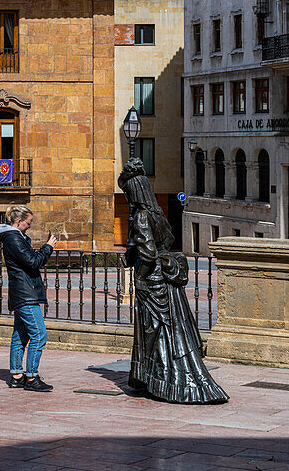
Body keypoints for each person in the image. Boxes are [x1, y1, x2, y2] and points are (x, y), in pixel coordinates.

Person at [121, 158, 228, 404]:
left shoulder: (140, 217)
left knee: (155, 332)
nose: (126, 196)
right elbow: (167, 241)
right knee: (169, 331)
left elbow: (147, 254)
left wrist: (139, 276)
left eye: (127, 191)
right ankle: (162, 378)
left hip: (151, 282)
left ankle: (162, 381)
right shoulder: (157, 213)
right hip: (167, 284)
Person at [0, 205, 57, 392]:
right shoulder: (13, 238)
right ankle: (31, 377)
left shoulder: (14, 237)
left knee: (20, 335)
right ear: (18, 221)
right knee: (39, 334)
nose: (29, 226)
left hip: (22, 292)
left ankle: (16, 375)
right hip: (25, 294)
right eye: (28, 223)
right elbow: (33, 262)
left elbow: (27, 259)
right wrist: (48, 247)